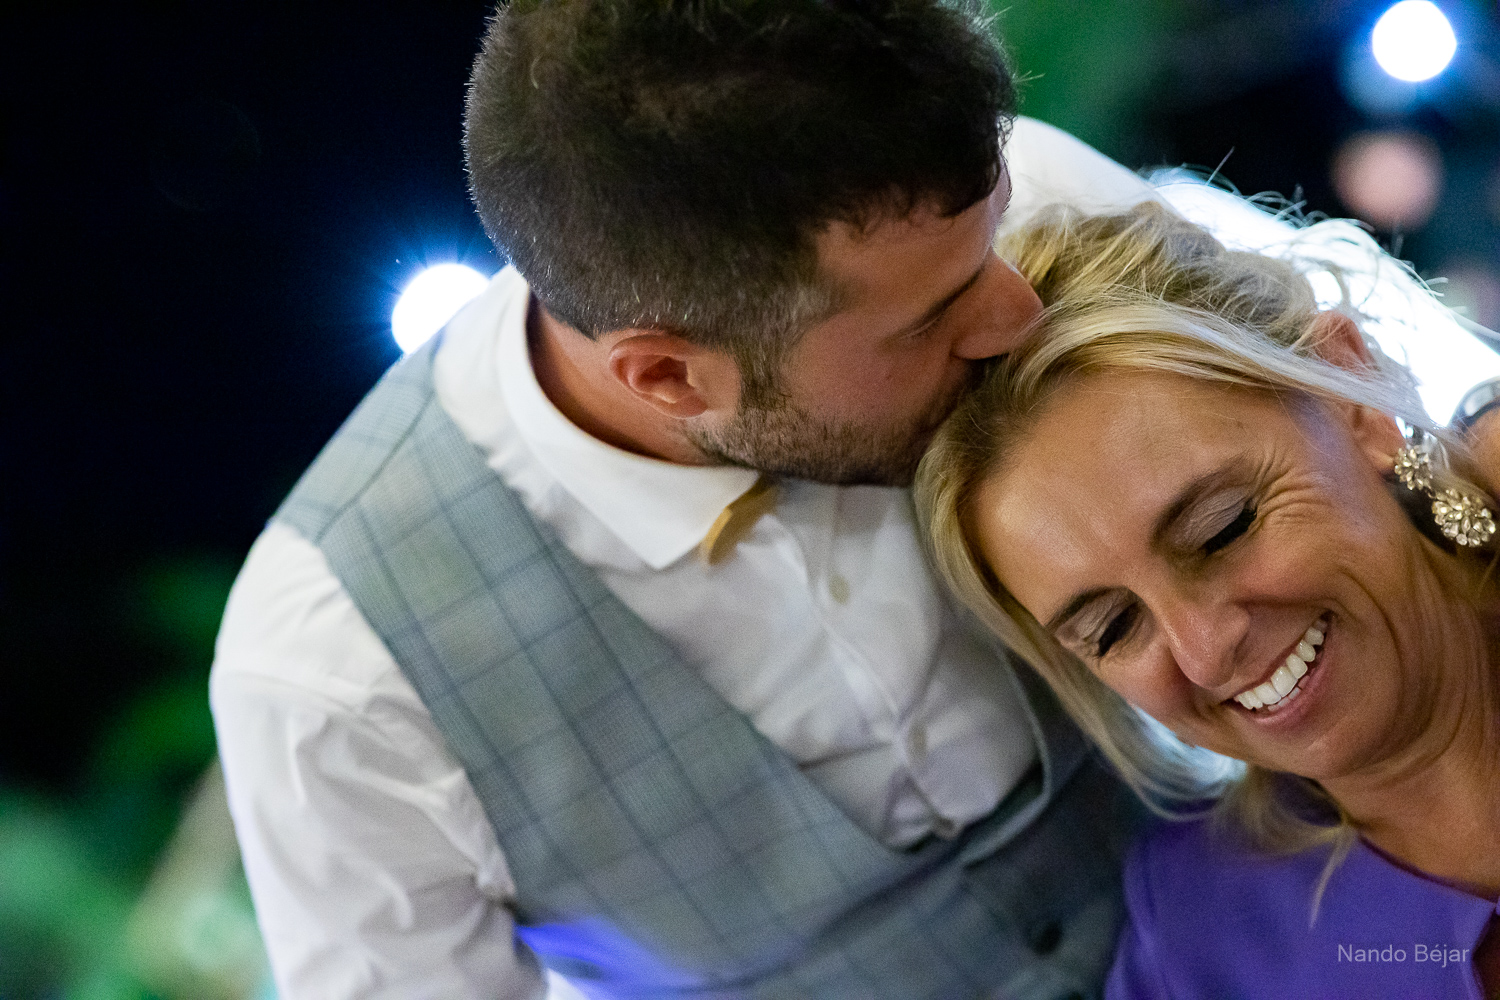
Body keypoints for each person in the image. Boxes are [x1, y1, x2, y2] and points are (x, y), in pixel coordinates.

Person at [209, 0, 1170, 996]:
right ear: (667, 377)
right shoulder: (339, 671)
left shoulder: (994, 209)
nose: (1018, 311)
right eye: (929, 322)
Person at [918, 201, 1500, 998]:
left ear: (1354, 399)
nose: (1202, 649)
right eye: (1112, 627)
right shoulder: (1197, 942)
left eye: (1222, 529)